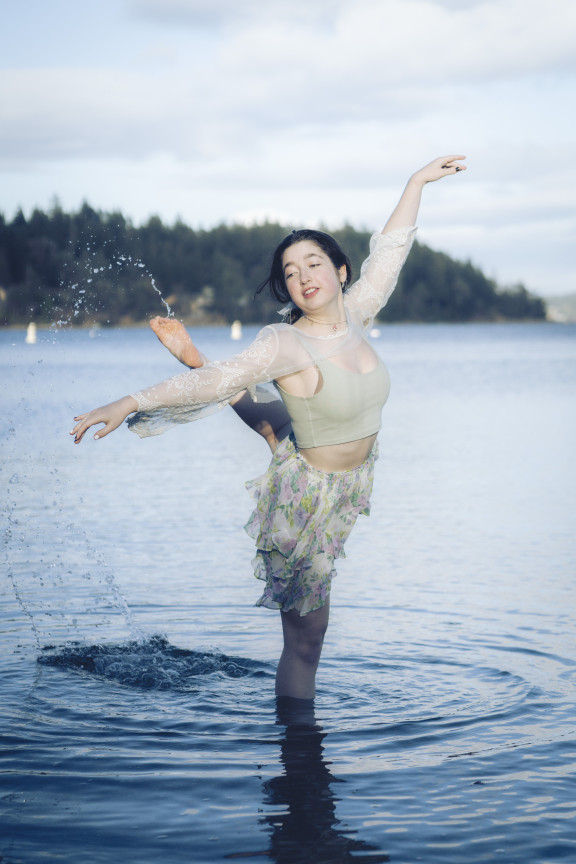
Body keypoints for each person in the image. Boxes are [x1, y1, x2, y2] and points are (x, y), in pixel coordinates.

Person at [71, 155, 466, 701]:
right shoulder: (284, 343)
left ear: (340, 271)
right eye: (290, 271)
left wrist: (416, 182)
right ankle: (299, 759)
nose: (303, 276)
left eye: (314, 263)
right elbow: (216, 384)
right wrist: (127, 401)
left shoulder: (357, 312)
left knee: (273, 426)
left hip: (344, 477)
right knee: (307, 642)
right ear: (285, 287)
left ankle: (197, 357)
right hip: (303, 498)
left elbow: (391, 250)